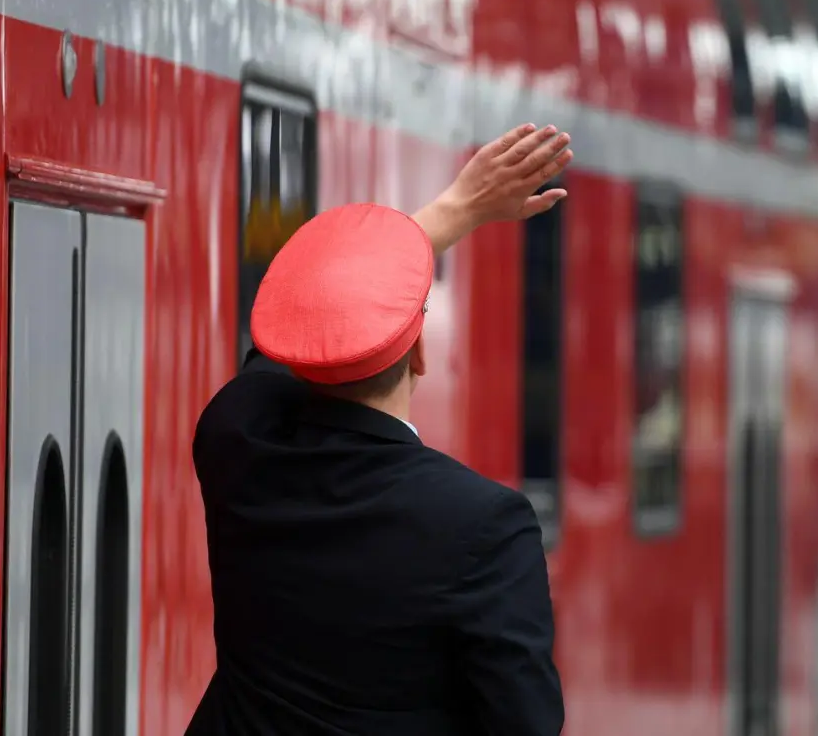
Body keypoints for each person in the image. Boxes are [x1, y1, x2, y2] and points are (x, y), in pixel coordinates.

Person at [187, 123, 573, 736]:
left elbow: (291, 341)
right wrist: (466, 208)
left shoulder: (237, 440)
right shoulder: (484, 524)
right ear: (417, 353)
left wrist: (456, 208)